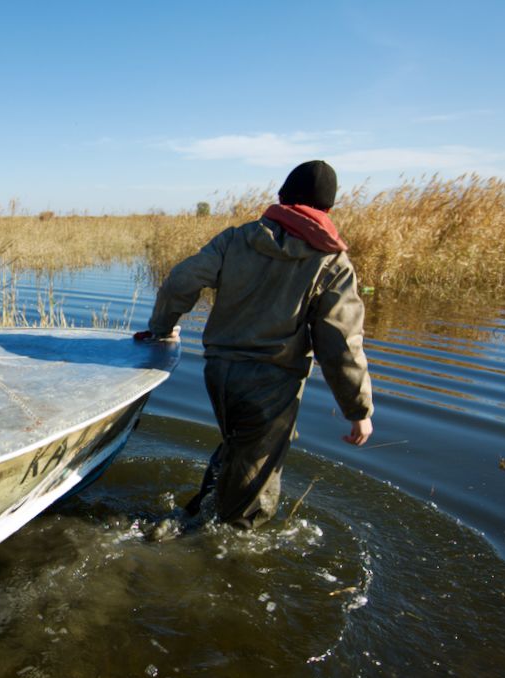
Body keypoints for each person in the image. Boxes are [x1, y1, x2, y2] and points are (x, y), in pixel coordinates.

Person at [136, 160, 374, 529]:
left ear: (281, 198)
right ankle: (219, 550)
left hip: (219, 373)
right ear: (327, 209)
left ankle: (194, 515)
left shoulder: (236, 239)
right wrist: (358, 409)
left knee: (238, 447)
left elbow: (180, 280)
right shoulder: (330, 261)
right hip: (272, 383)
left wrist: (162, 328)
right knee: (253, 495)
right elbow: (340, 341)